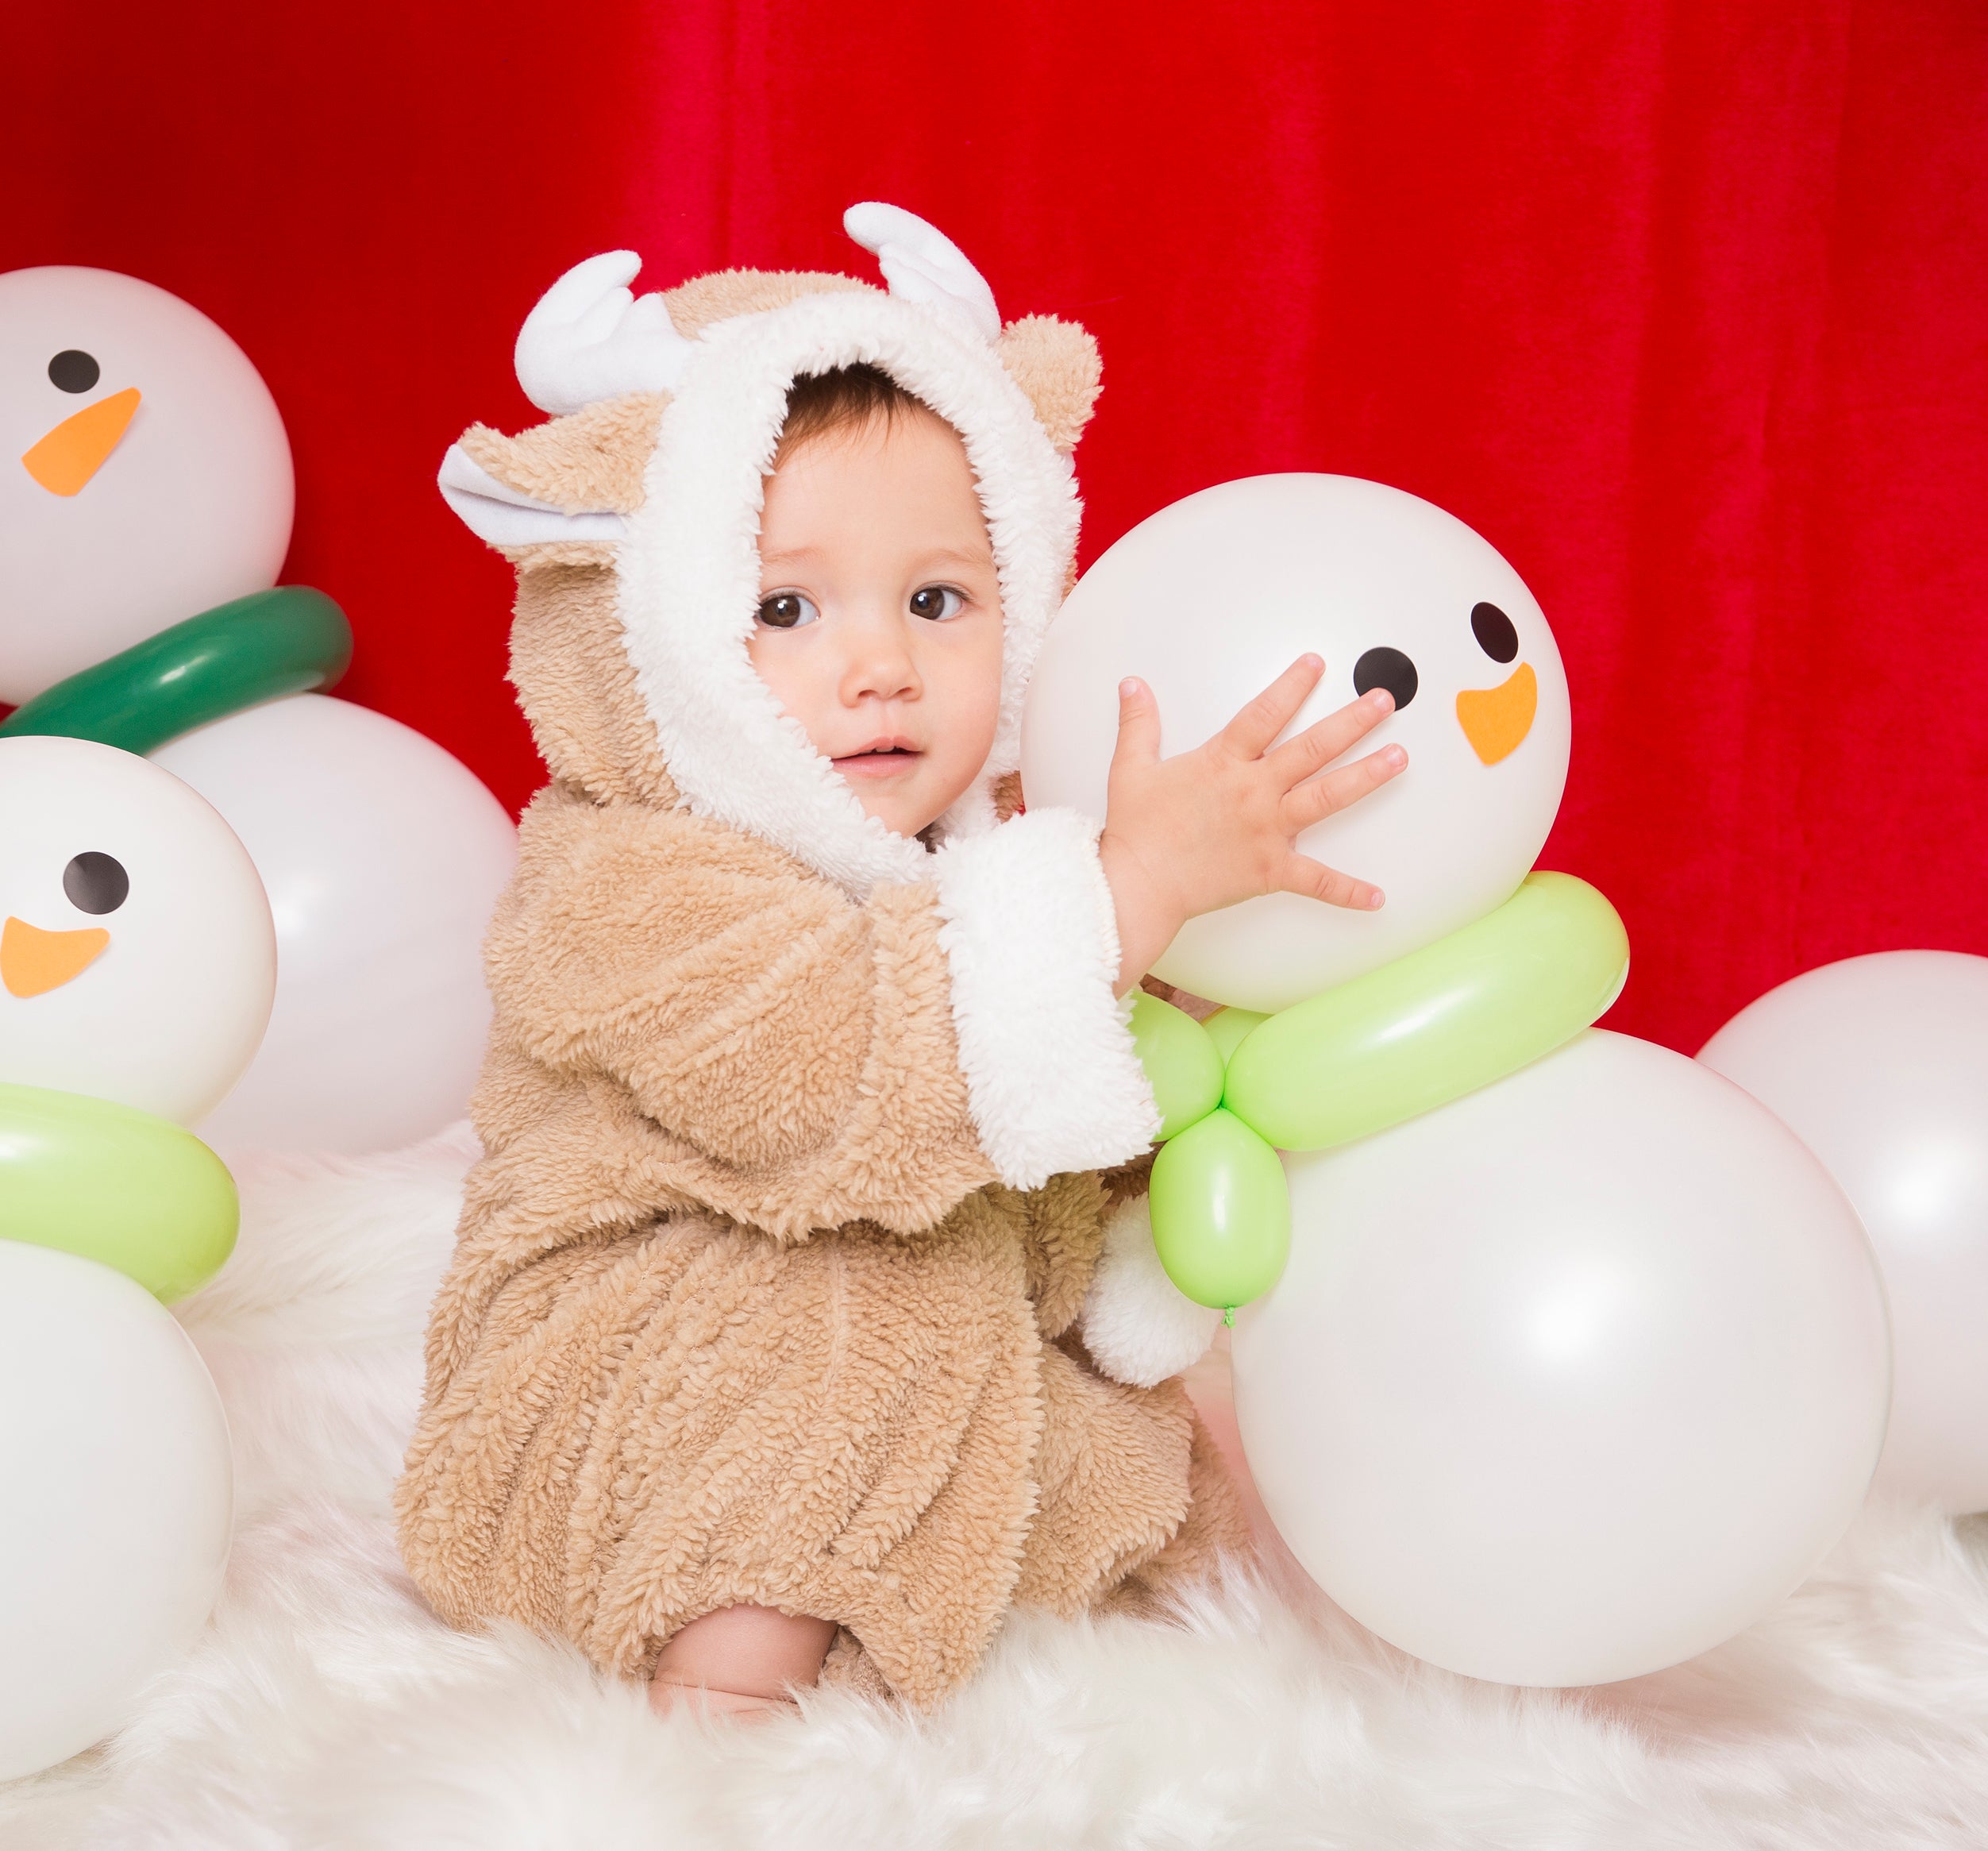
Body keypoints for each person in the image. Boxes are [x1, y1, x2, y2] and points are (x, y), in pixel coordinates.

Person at [399, 208, 1404, 1719]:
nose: (882, 667)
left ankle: (974, 1598)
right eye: (785, 610)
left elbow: (1052, 1130)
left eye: (937, 601)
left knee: (1126, 1430)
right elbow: (841, 1070)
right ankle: (724, 1702)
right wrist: (1131, 887)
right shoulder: (626, 880)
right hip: (615, 1383)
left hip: (928, 1366)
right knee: (847, 1320)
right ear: (648, 626)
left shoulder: (990, 860)